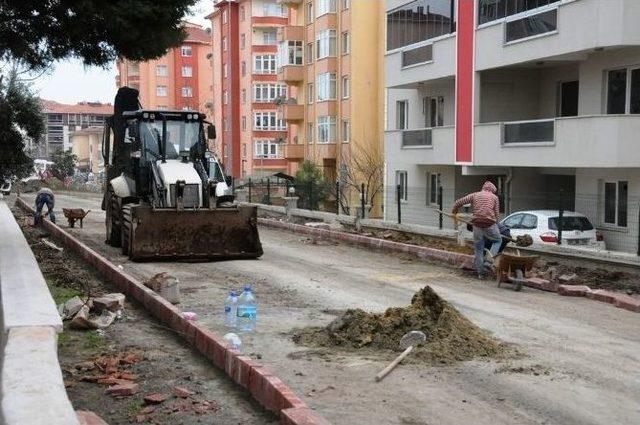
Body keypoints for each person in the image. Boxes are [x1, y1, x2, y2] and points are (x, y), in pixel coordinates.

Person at [452, 181, 501, 279]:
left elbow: (458, 202)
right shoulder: (494, 198)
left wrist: (454, 211)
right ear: (492, 190)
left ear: (483, 188)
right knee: (498, 240)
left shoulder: (475, 195)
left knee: (478, 249)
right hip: (489, 223)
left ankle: (481, 274)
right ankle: (488, 261)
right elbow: (496, 214)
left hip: (477, 224)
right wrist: (496, 224)